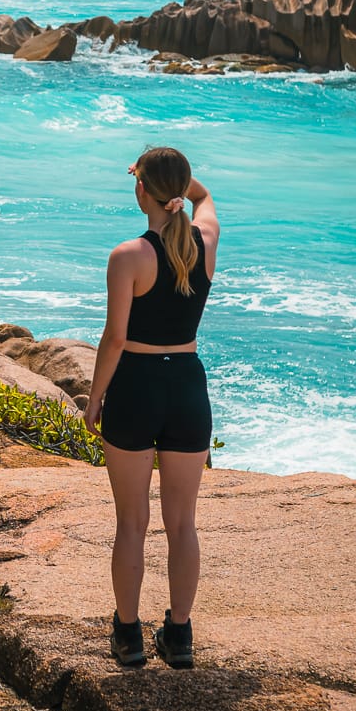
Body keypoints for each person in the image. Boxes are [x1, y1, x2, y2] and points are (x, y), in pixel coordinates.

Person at [82, 146, 219, 670]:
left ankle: (128, 636)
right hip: (187, 386)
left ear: (141, 190)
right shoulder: (205, 243)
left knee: (132, 523)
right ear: (179, 193)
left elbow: (114, 339)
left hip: (137, 387)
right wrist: (176, 181)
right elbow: (204, 198)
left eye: (136, 179)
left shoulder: (127, 256)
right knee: (182, 523)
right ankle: (179, 636)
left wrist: (95, 400)